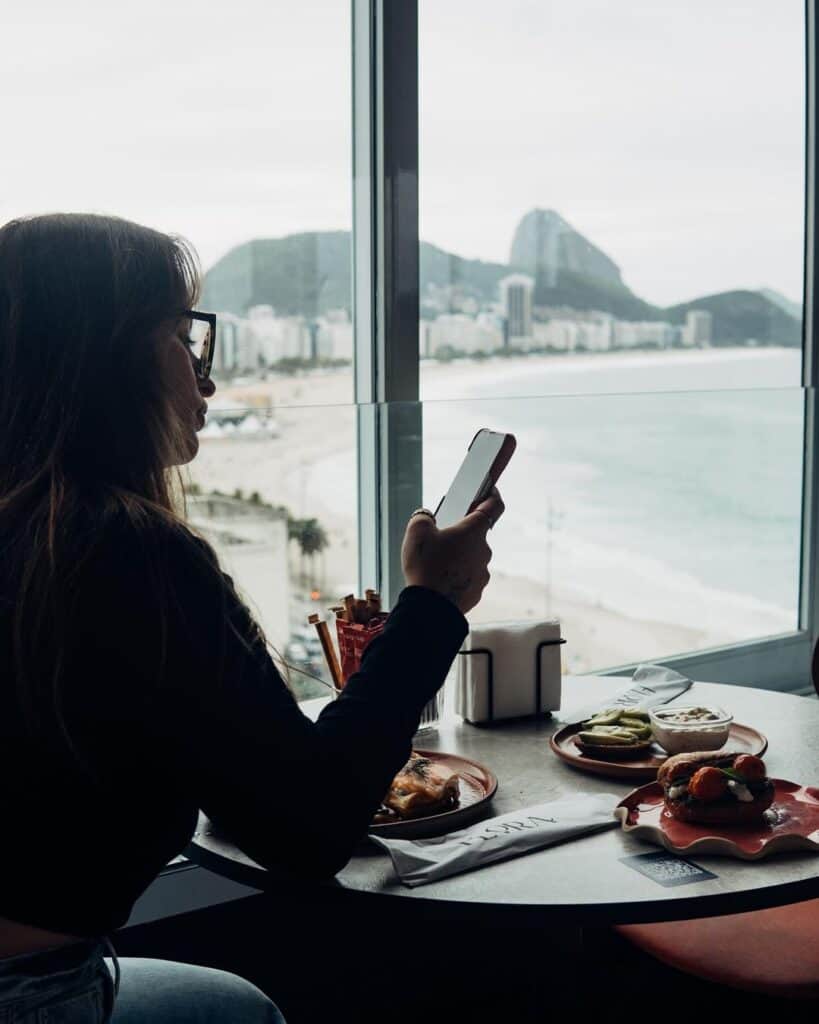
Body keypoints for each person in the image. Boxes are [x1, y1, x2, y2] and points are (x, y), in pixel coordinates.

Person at [0, 213, 504, 1022]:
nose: (206, 380)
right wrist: (433, 604)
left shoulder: (39, 534)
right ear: (103, 355)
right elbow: (307, 832)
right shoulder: (120, 553)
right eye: (183, 336)